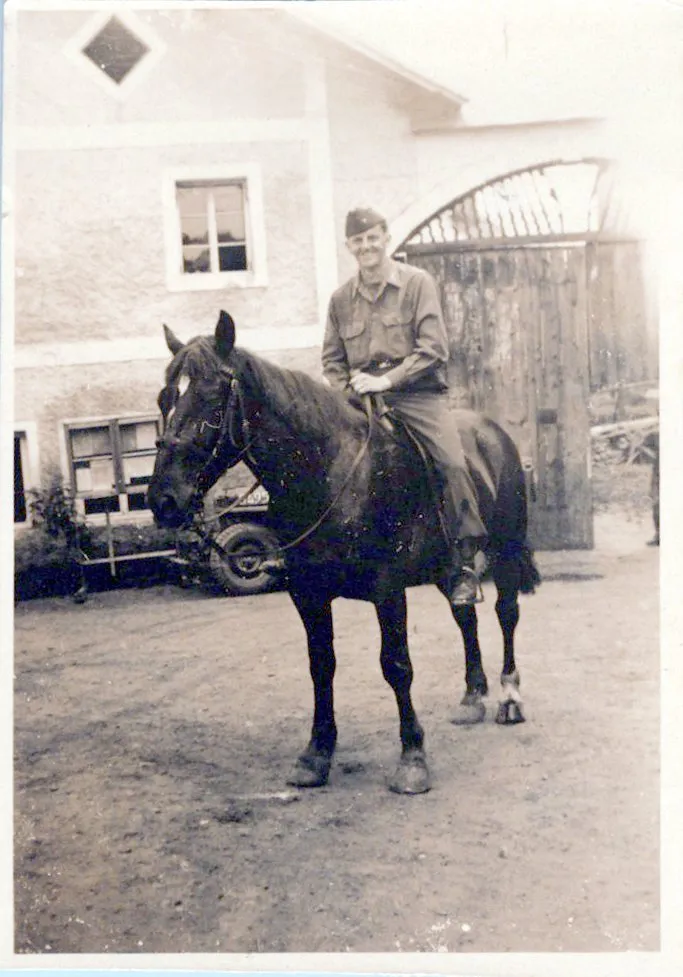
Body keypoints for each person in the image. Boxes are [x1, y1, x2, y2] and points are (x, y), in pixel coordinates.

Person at [322, 206, 487, 606]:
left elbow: (434, 349)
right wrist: (348, 390)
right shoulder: (341, 299)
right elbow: (332, 360)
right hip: (362, 399)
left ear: (386, 237)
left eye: (372, 237)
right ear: (349, 247)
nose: (366, 246)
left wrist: (387, 380)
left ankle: (465, 561)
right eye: (358, 241)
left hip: (417, 395)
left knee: (451, 462)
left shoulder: (416, 284)